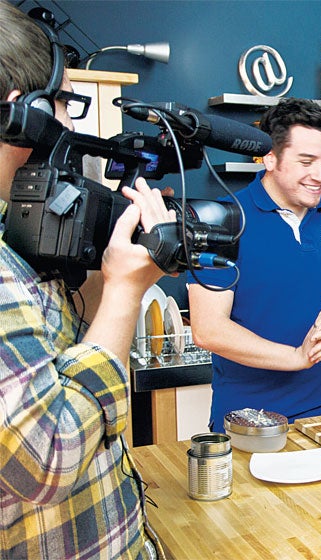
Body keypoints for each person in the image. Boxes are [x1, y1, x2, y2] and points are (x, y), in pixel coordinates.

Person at [0, 4, 175, 558]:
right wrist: (125, 289)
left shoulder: (13, 234)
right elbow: (48, 459)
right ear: (20, 113)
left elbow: (71, 352)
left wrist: (113, 266)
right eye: (64, 104)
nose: (71, 126)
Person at [188, 98, 321, 430]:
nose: (320, 175)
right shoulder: (223, 219)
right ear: (269, 157)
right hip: (247, 420)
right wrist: (296, 357)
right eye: (306, 161)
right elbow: (208, 329)